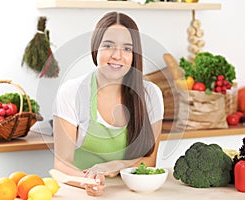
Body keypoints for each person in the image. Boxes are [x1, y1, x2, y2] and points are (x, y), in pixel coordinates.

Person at [53, 11, 164, 196]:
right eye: (108, 46)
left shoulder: (150, 94)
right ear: (95, 48)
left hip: (133, 193)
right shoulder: (71, 92)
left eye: (127, 49)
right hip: (82, 193)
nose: (117, 56)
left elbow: (150, 160)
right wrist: (88, 181)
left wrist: (117, 166)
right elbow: (61, 164)